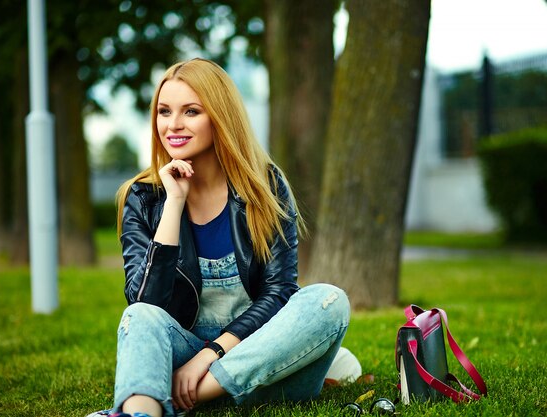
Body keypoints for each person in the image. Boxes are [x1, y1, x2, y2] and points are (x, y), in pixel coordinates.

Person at [86, 58, 350, 417]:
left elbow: (279, 292)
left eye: (191, 111)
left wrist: (211, 357)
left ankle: (186, 399)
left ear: (220, 116)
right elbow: (146, 302)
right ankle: (140, 412)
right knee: (140, 318)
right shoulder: (144, 196)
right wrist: (174, 203)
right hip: (185, 347)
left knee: (328, 301)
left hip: (263, 364)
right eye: (164, 112)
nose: (173, 125)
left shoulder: (265, 185)